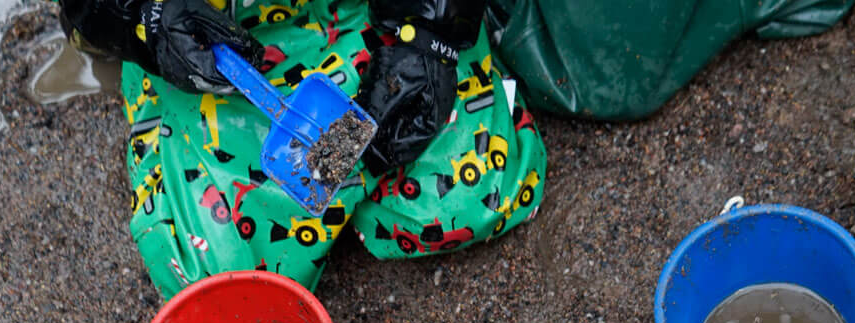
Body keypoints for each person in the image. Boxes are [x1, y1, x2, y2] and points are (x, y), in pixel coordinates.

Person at [57, 0, 547, 294]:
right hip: (222, 39)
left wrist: (433, 30)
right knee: (218, 278)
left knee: (477, 195)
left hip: (371, 13)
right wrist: (145, 16)